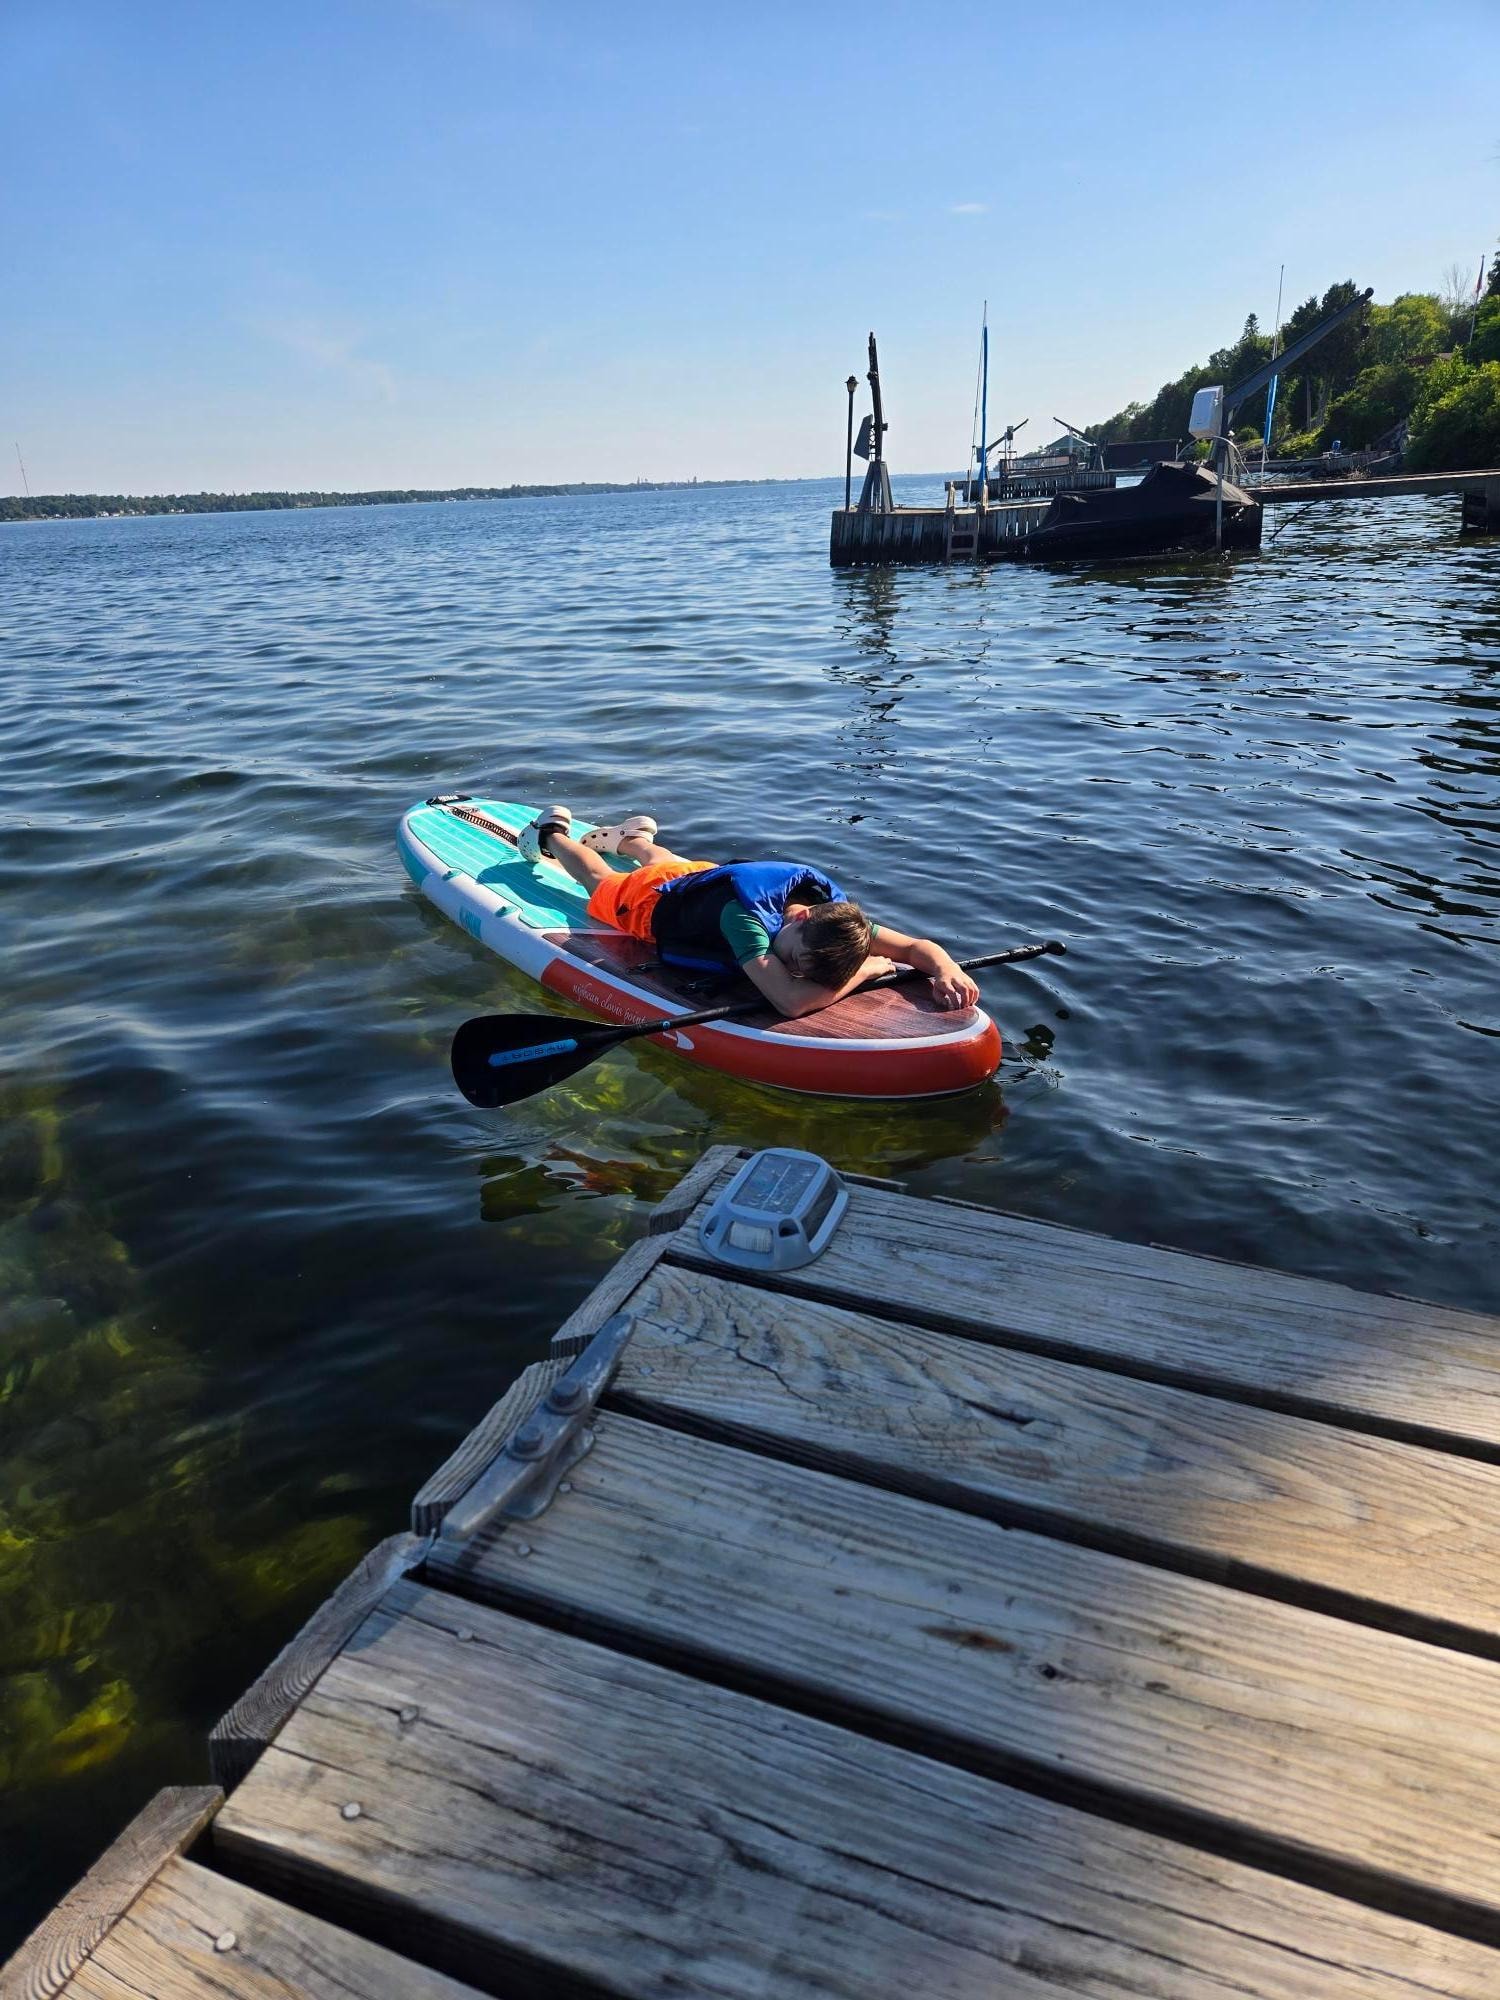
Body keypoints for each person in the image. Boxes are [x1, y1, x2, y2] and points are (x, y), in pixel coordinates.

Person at [518, 804, 979, 1020]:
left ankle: (632, 838)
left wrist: (945, 968)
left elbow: (918, 947)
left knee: (672, 865)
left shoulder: (836, 925)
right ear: (797, 919)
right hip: (649, 904)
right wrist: (866, 970)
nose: (795, 971)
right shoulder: (747, 923)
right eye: (796, 962)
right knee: (600, 882)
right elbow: (790, 1002)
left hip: (698, 878)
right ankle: (553, 832)